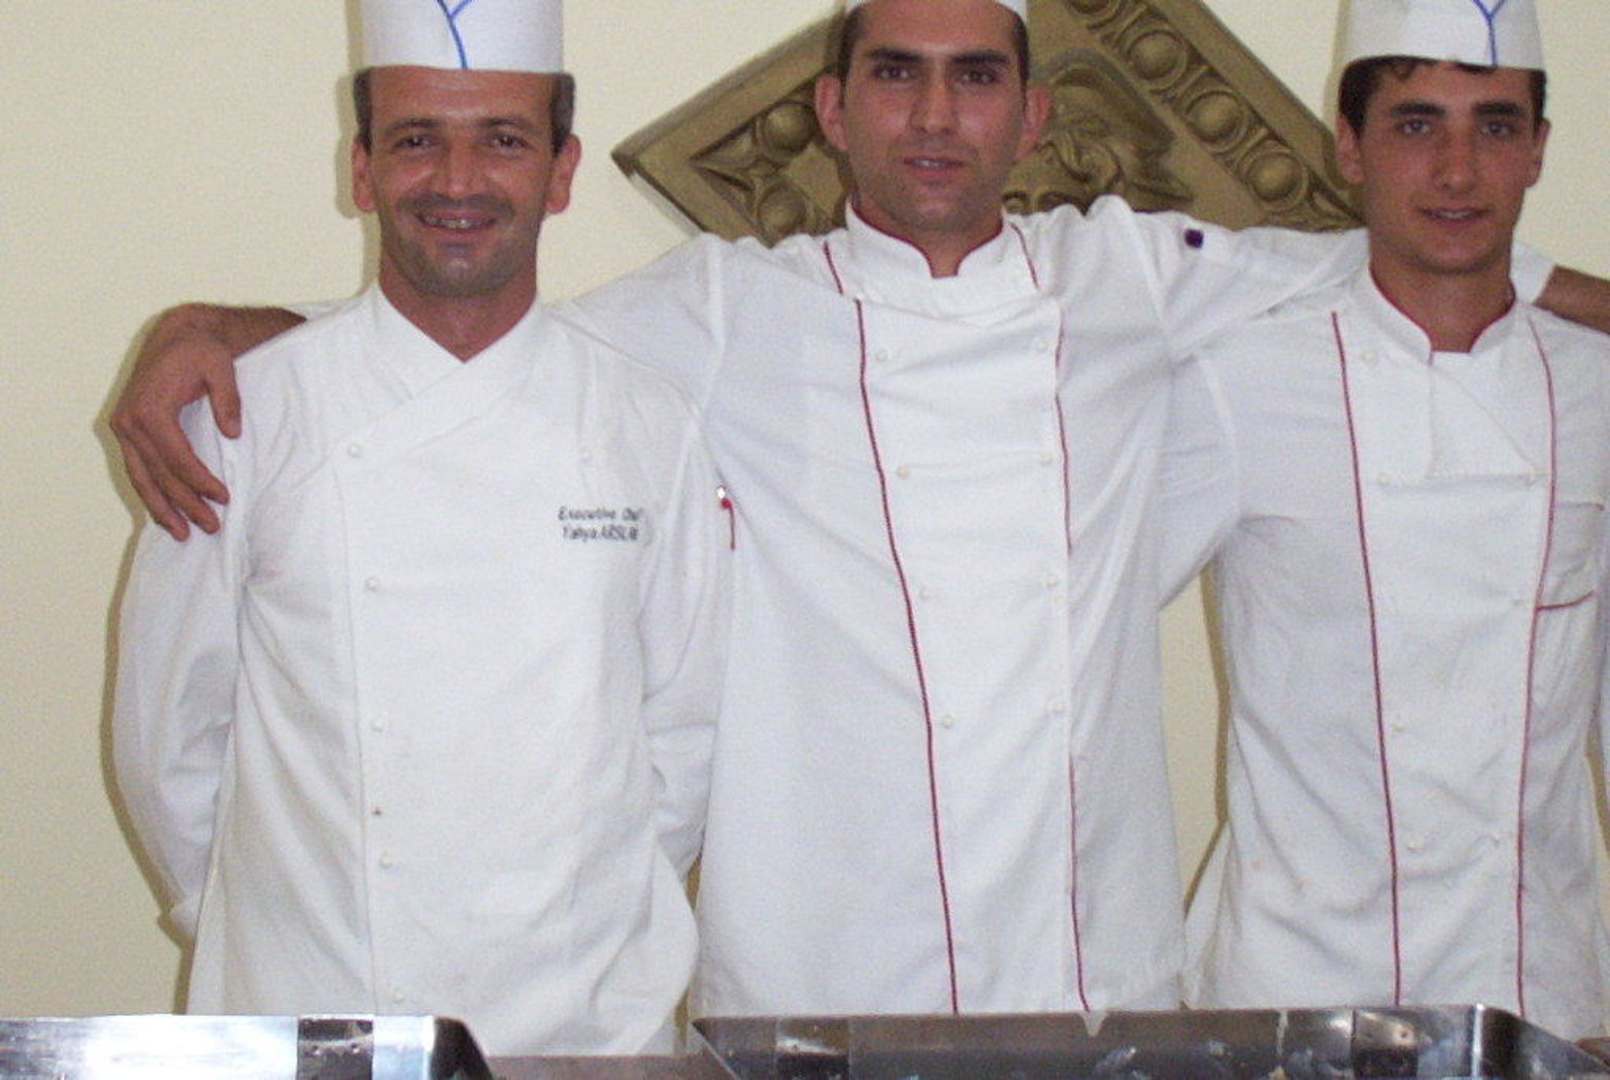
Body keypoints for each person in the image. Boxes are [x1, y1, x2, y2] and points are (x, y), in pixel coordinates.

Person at [108, 0, 1603, 1017]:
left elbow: (1420, 255)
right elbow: (471, 331)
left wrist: (1587, 296)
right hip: (809, 991)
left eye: (975, 76)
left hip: (1088, 981)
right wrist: (224, 330)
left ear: (1032, 112)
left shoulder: (1139, 279)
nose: (934, 115)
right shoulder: (719, 308)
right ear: (831, 108)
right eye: (894, 73)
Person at [111, 0, 727, 1056]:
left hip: (588, 1031)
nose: (457, 181)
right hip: (314, 1016)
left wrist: (585, 918)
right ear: (360, 170)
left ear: (562, 171)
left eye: (503, 140)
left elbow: (683, 734)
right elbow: (166, 737)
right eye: (414, 140)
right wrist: (273, 919)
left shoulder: (647, 423)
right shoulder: (246, 416)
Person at [1161, 0, 1610, 1038]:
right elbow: (1084, 611)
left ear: (1537, 151)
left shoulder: (1596, 388)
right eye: (1415, 125)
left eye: (1494, 126)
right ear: (1350, 148)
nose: (1457, 171)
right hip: (1288, 994)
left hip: (1538, 992)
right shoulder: (1238, 379)